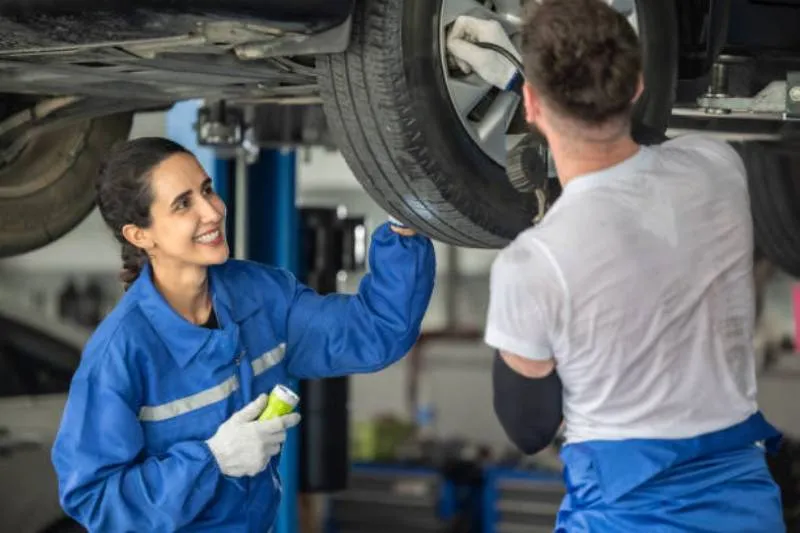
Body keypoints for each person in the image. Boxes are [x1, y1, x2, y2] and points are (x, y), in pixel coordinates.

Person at [448, 1, 785, 531]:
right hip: (744, 503)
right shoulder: (718, 168)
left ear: (532, 105)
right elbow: (641, 156)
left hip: (626, 513)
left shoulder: (535, 263)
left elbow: (530, 427)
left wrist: (518, 82)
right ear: (636, 86)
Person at [50, 137, 436, 532]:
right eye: (184, 204)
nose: (212, 211)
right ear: (140, 236)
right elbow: (96, 501)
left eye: (206, 190)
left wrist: (404, 222)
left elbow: (374, 331)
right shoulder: (121, 353)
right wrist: (212, 460)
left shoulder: (257, 294)